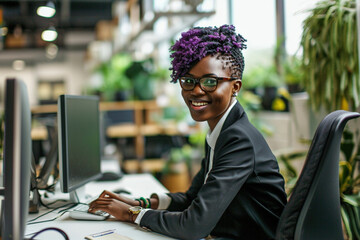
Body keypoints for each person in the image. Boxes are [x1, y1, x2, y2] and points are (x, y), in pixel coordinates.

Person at [89, 24, 287, 240]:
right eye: (188, 81)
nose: (196, 90)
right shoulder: (221, 131)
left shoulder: (239, 139)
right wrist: (140, 203)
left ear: (235, 87)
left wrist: (131, 214)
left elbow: (194, 225)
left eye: (210, 82)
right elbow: (193, 198)